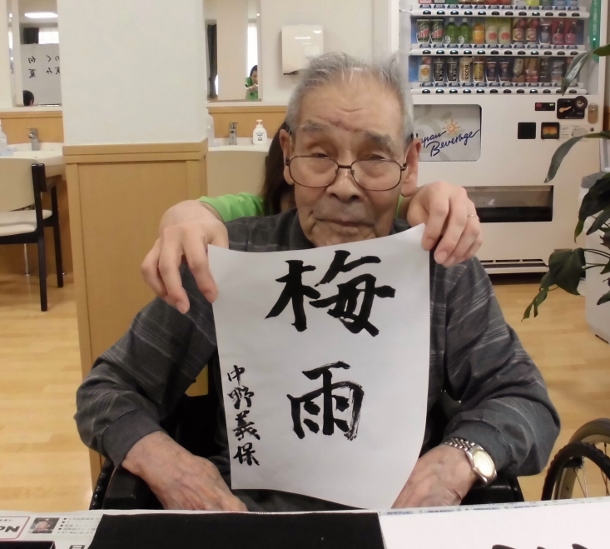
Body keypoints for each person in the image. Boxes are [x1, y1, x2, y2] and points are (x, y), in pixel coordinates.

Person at [76, 52, 559, 513]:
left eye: (375, 157)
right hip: (249, 522)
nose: (344, 186)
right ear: (288, 155)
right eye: (320, 154)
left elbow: (526, 401)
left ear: (409, 164)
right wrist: (170, 465)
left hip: (401, 521)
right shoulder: (228, 259)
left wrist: (458, 462)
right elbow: (106, 391)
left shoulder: (440, 264)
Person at [142, 122, 483, 314]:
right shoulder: (252, 224)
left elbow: (409, 205)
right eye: (318, 158)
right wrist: (185, 222)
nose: (340, 193)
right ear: (287, 165)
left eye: (373, 158)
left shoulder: (368, 218)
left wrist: (429, 197)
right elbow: (195, 215)